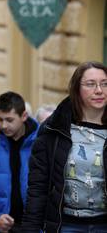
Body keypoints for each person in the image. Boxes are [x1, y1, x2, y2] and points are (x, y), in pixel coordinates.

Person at [23, 61, 107, 233]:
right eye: (90, 84)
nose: (99, 90)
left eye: (104, 84)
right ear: (76, 89)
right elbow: (38, 186)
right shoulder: (54, 128)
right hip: (66, 225)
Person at [0, 91, 39, 233]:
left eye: (9, 120)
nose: (3, 125)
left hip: (33, 225)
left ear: (24, 116)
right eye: (0, 119)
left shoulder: (41, 143)